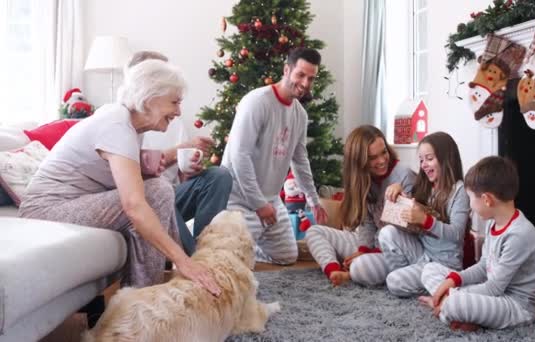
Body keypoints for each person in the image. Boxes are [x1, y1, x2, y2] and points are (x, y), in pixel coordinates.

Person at [19, 60, 220, 295]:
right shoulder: (117, 125)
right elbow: (133, 205)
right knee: (156, 191)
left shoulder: (130, 126)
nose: (178, 111)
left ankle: (154, 294)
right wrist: (183, 260)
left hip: (67, 204)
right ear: (149, 98)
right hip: (45, 211)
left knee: (158, 189)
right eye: (174, 102)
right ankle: (145, 302)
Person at [222, 47, 328, 265]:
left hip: (270, 199)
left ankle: (252, 247)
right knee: (232, 261)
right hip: (239, 198)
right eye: (301, 75)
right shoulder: (257, 102)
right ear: (286, 69)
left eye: (311, 78)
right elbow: (239, 156)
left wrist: (313, 200)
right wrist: (258, 204)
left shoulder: (300, 113)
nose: (306, 83)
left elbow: (300, 160)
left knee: (287, 256)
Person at [419, 156, 535, 331]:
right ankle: (456, 310)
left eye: (471, 198)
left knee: (455, 303)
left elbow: (494, 288)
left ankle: (448, 307)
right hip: (493, 293)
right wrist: (454, 280)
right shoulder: (492, 223)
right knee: (430, 270)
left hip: (516, 306)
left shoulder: (519, 235)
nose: (470, 206)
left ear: (487, 200)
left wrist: (452, 295)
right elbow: (484, 266)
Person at [128, 51, 233, 256]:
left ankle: (208, 250)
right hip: (146, 198)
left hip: (171, 196)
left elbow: (181, 175)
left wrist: (190, 168)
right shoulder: (125, 119)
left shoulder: (171, 121)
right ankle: (197, 261)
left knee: (219, 176)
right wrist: (177, 152)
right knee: (159, 189)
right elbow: (133, 179)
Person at [306, 125, 416, 287]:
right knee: (314, 231)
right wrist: (363, 250)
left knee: (361, 266)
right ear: (359, 162)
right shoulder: (364, 180)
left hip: (395, 251)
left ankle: (352, 273)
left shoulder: (404, 176)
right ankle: (334, 270)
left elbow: (405, 233)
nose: (381, 161)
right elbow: (367, 222)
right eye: (372, 158)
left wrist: (367, 254)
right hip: (371, 245)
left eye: (384, 152)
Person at [379, 131, 470, 297]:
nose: (424, 165)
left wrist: (426, 220)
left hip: (444, 264)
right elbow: (412, 220)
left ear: (446, 159)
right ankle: (417, 278)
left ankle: (440, 288)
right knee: (387, 234)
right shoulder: (425, 187)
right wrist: (399, 194)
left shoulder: (459, 191)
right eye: (421, 160)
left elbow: (457, 234)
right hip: (422, 254)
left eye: (429, 159)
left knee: (394, 282)